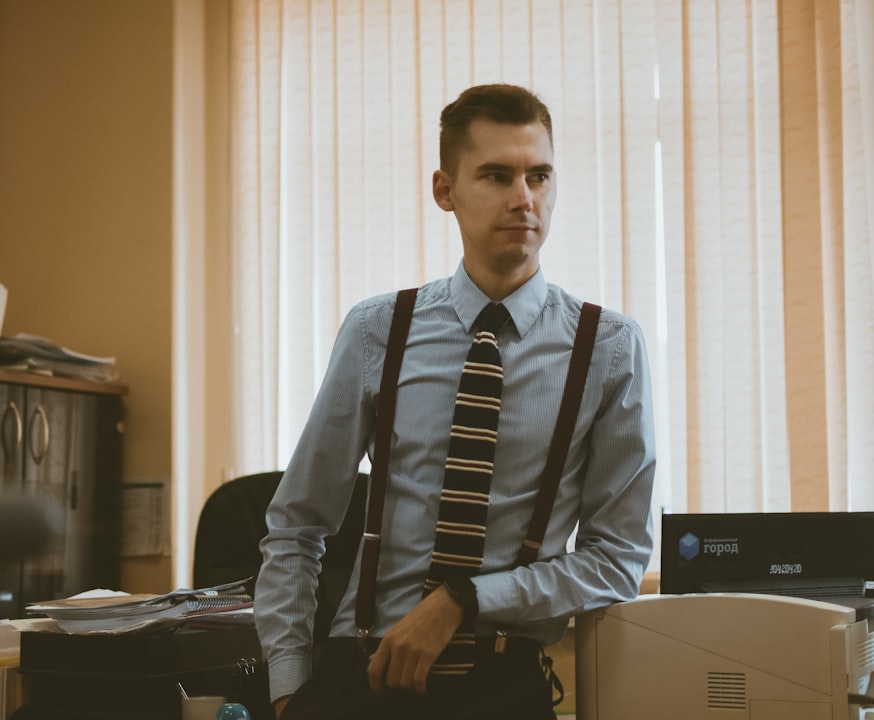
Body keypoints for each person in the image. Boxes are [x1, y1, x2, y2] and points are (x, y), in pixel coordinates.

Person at [254, 83, 656, 720]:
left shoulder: (608, 349)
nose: (524, 199)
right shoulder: (377, 329)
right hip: (358, 678)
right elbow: (298, 524)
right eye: (497, 175)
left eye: (539, 175)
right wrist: (288, 688)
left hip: (503, 687)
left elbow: (616, 562)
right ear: (445, 191)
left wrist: (465, 599)